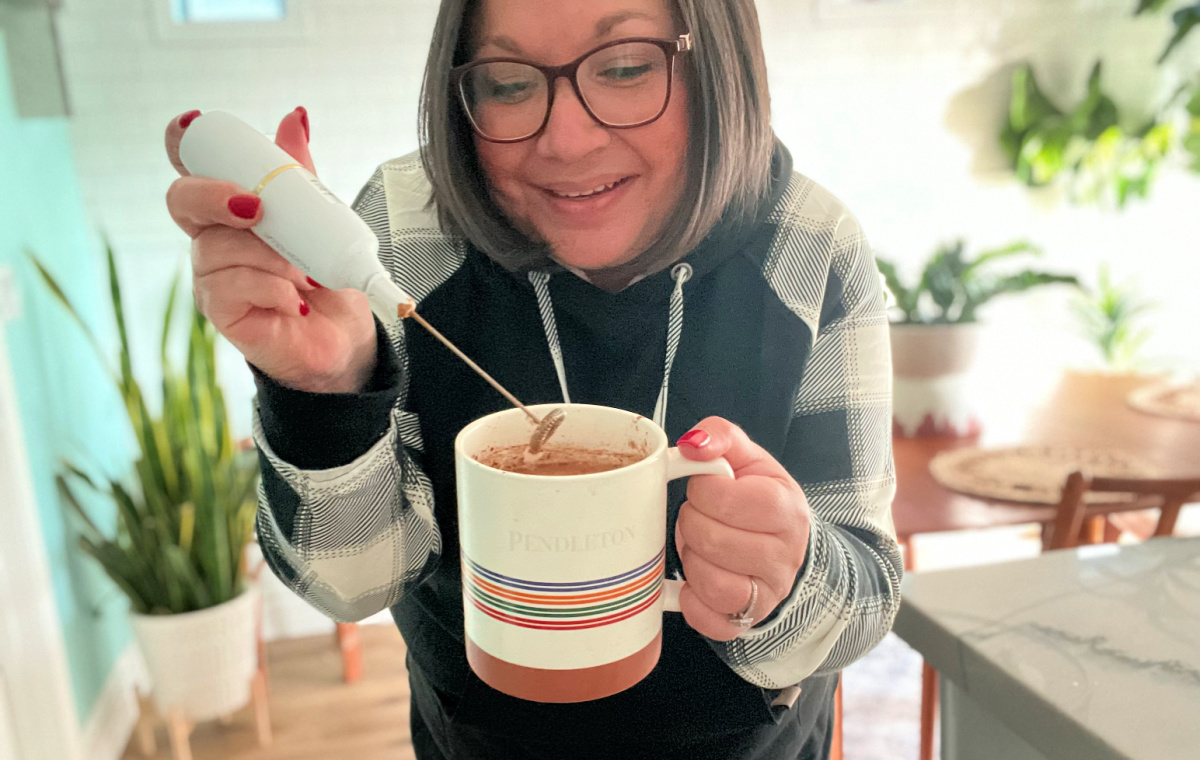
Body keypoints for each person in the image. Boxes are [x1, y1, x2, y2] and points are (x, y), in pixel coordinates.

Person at [164, 0, 900, 757]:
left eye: (624, 68)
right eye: (510, 84)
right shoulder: (402, 234)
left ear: (718, 60)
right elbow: (351, 584)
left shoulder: (812, 248)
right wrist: (327, 393)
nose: (567, 140)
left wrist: (793, 579)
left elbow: (868, 592)